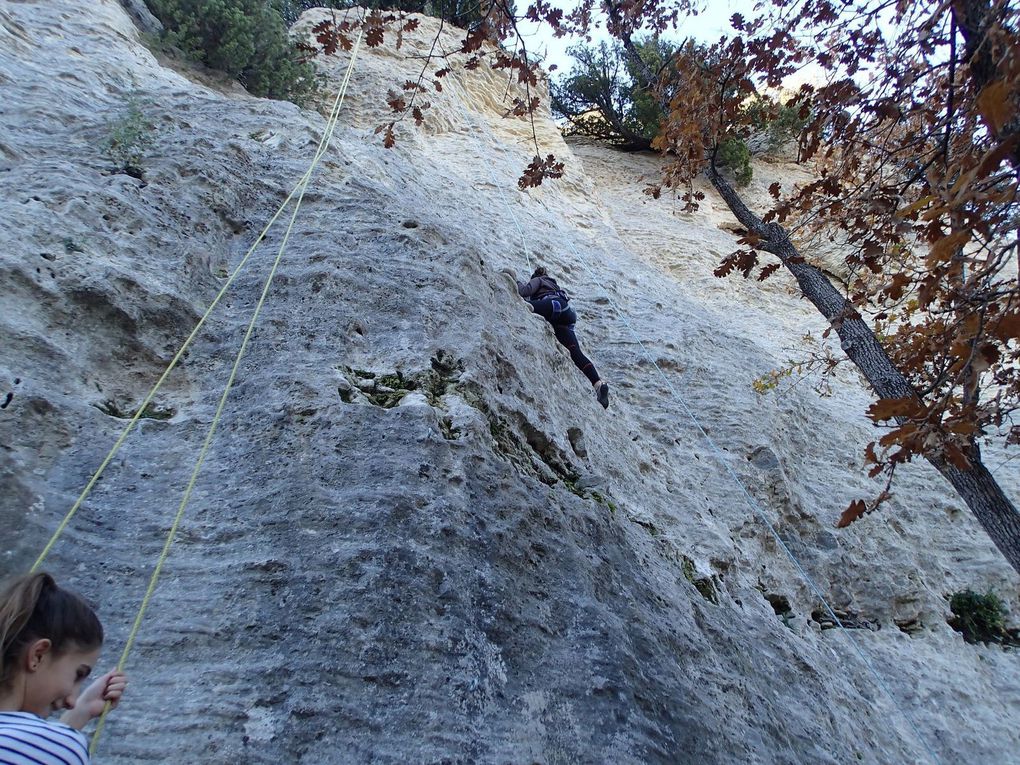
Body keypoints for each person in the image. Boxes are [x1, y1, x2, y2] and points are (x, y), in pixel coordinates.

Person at [0, 572, 128, 765]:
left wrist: (80, 714)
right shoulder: (62, 748)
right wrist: (66, 738)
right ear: (38, 655)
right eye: (78, 674)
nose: (72, 702)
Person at [516, 266, 610, 409]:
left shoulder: (540, 280)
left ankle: (531, 307)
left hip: (552, 306)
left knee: (523, 305)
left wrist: (514, 281)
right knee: (575, 353)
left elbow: (524, 291)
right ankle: (598, 384)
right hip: (566, 316)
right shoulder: (555, 286)